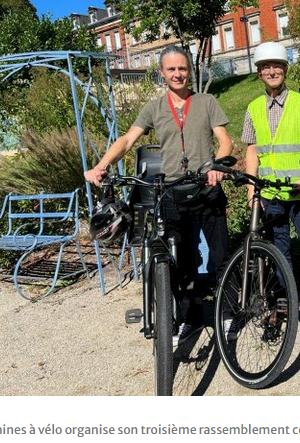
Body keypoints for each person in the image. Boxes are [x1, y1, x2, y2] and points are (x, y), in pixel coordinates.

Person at [85, 45, 232, 346]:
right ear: (162, 73)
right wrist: (101, 165)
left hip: (206, 187)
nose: (177, 74)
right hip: (172, 193)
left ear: (189, 70)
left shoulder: (206, 102)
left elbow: (225, 142)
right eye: (171, 69)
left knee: (221, 256)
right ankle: (189, 319)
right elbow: (127, 140)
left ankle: (228, 314)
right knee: (182, 262)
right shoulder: (154, 108)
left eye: (182, 68)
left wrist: (217, 166)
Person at [242, 41, 300, 335]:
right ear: (258, 73)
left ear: (285, 69)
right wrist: (252, 190)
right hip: (271, 195)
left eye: (276, 66)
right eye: (265, 67)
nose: (271, 71)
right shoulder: (253, 108)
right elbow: (252, 151)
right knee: (279, 255)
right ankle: (282, 307)